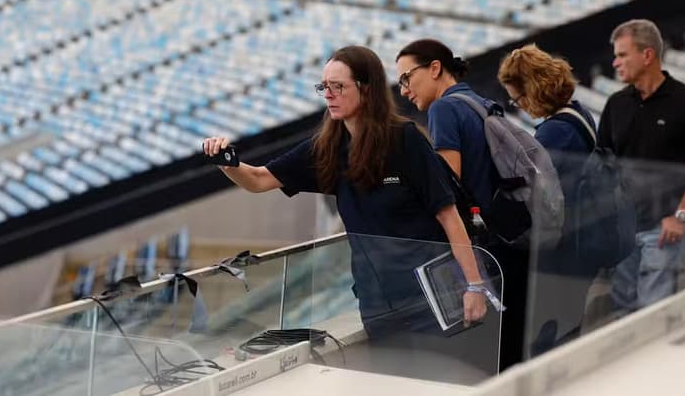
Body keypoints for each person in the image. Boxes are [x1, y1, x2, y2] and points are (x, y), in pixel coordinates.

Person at [203, 46, 495, 376]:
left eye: (338, 86)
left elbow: (449, 216)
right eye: (323, 86)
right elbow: (258, 179)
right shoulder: (328, 146)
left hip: (428, 301)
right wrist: (226, 163)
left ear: (366, 88)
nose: (328, 94)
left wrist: (474, 286)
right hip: (377, 306)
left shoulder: (404, 139)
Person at [395, 38, 528, 370]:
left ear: (435, 68)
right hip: (512, 240)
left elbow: (445, 185)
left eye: (406, 78)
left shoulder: (444, 109)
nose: (403, 91)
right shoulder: (478, 101)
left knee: (490, 363)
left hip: (488, 249)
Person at [599, 19, 685, 312]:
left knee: (652, 314)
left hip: (664, 229)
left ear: (647, 56)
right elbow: (604, 164)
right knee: (623, 311)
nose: (615, 62)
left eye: (622, 55)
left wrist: (681, 216)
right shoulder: (616, 104)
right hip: (624, 231)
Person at [497, 43, 598, 353]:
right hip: (582, 239)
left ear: (534, 88)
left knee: (551, 338)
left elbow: (537, 195)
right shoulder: (577, 113)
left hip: (565, 248)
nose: (518, 105)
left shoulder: (554, 134)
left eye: (518, 98)